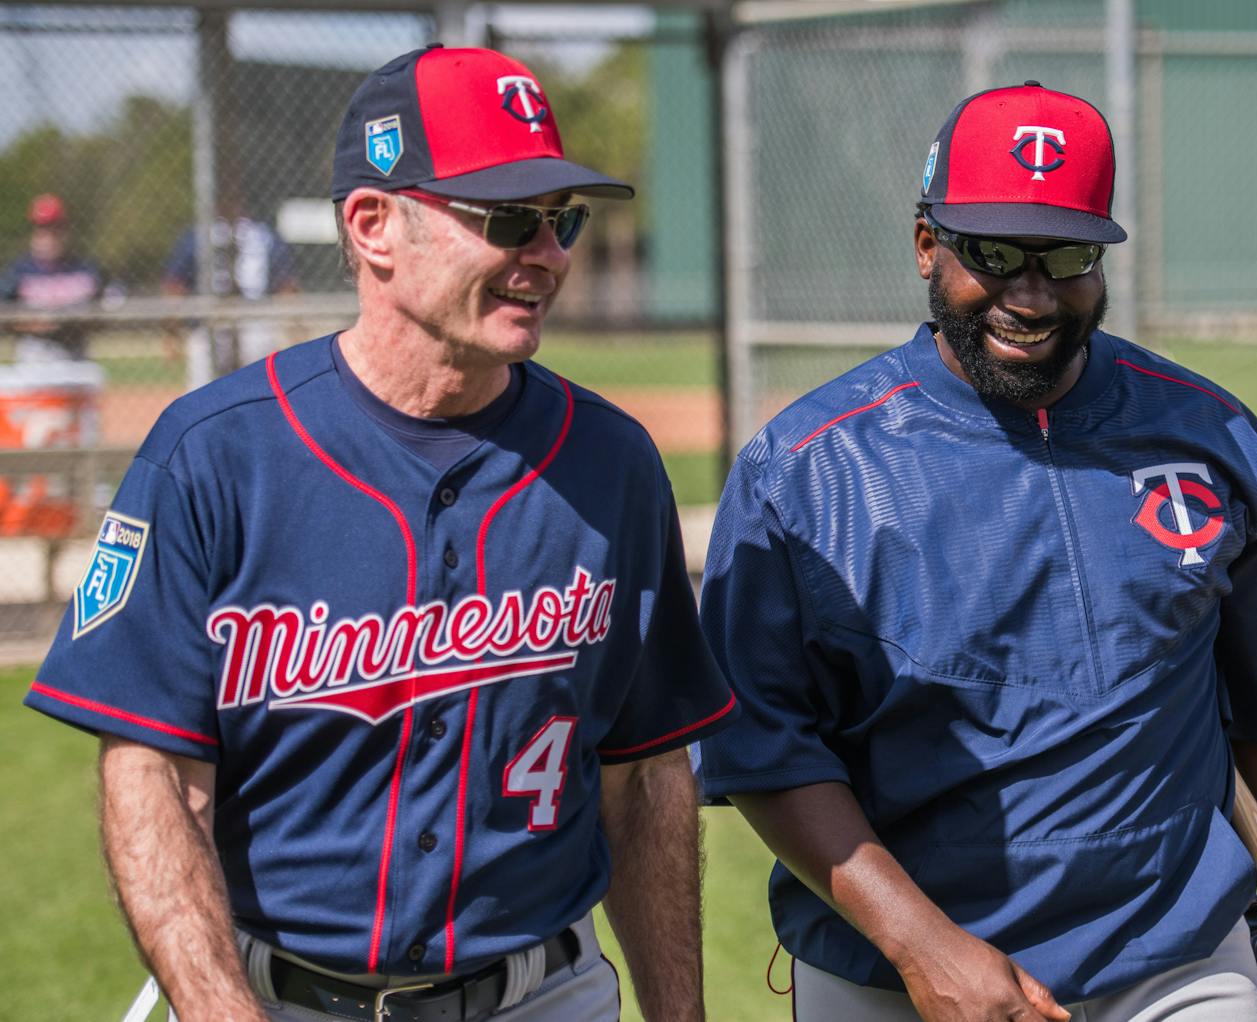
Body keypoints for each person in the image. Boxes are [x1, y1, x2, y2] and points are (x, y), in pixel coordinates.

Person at [25, 46, 736, 1022]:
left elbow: (648, 778)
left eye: (561, 219)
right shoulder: (213, 455)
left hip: (543, 991)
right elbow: (152, 776)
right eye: (508, 218)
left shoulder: (612, 462)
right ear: (374, 227)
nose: (550, 251)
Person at [696, 82, 1257, 1022]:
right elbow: (763, 750)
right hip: (894, 981)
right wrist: (924, 949)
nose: (1029, 295)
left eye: (1065, 255)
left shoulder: (1209, 433)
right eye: (993, 253)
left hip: (1177, 964)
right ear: (925, 246)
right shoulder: (805, 469)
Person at [163, 196, 299, 389]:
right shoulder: (264, 234)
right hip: (256, 325)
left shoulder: (197, 235)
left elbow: (175, 286)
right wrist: (292, 331)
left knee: (203, 401)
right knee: (259, 397)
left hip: (211, 324)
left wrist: (172, 333)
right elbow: (287, 288)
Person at [0, 193, 111, 362]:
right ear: (34, 231)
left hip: (76, 353)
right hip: (33, 354)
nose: (49, 236)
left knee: (94, 376)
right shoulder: (19, 271)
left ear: (65, 230)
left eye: (55, 228)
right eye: (43, 228)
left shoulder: (85, 269)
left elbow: (106, 311)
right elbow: (4, 315)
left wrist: (72, 324)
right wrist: (35, 325)